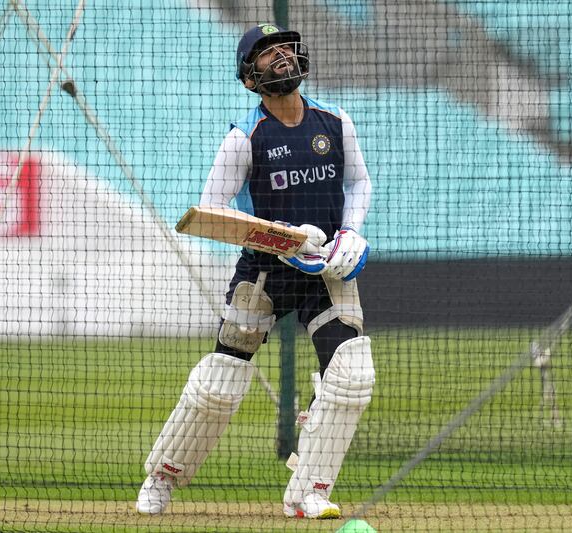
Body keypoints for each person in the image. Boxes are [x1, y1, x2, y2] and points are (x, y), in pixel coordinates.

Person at [136, 23, 375, 519]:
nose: (281, 57)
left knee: (352, 375)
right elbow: (209, 212)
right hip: (265, 275)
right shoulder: (245, 137)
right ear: (250, 78)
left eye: (285, 48)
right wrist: (283, 240)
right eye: (267, 53)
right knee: (221, 380)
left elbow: (359, 184)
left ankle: (308, 492)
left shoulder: (335, 122)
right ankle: (162, 477)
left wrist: (351, 233)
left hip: (326, 272)